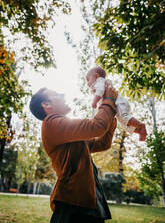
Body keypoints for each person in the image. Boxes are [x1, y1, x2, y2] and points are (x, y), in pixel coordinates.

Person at [29, 83, 118, 223]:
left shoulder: (68, 133)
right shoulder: (51, 123)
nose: (63, 95)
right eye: (56, 94)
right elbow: (97, 126)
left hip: (90, 201)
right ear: (46, 104)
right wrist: (108, 102)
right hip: (73, 204)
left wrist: (111, 115)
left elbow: (102, 143)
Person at [86, 66, 147, 141]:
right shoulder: (99, 83)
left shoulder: (99, 81)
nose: (87, 83)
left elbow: (100, 90)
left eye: (88, 80)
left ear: (96, 76)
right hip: (118, 105)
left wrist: (94, 101)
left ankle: (141, 125)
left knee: (125, 117)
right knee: (124, 124)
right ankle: (140, 131)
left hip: (119, 103)